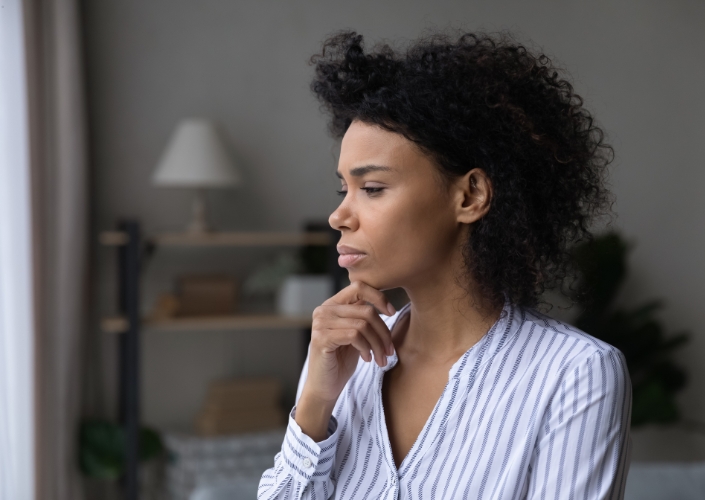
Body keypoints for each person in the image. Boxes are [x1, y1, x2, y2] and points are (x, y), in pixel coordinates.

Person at [259, 30, 631, 500]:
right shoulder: (345, 361)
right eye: (343, 190)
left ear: (470, 195)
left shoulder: (575, 374)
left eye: (371, 189)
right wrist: (315, 402)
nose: (339, 216)